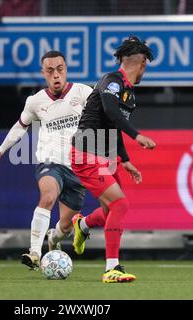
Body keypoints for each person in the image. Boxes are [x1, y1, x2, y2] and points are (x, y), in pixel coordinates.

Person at [0, 51, 92, 270]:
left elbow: (102, 115)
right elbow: (20, 126)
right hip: (50, 162)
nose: (56, 75)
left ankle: (53, 238)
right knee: (47, 196)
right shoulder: (35, 101)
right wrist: (0, 151)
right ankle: (35, 251)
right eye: (50, 70)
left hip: (78, 168)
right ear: (43, 73)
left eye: (60, 69)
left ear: (66, 69)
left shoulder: (83, 93)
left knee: (65, 226)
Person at [70, 36, 156, 283]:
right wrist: (137, 135)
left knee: (110, 210)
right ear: (141, 65)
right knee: (120, 205)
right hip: (86, 152)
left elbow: (112, 126)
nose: (144, 73)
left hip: (104, 153)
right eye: (144, 68)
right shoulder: (112, 82)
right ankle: (111, 268)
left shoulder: (129, 93)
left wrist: (125, 160)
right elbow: (110, 111)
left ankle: (83, 225)